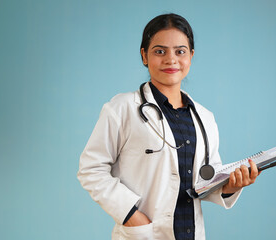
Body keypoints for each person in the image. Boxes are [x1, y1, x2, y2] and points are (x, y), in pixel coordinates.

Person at [77, 13, 259, 240]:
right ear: (144, 55)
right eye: (160, 51)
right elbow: (90, 169)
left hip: (190, 233)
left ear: (191, 56)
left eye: (180, 51)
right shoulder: (122, 108)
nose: (171, 59)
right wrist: (130, 214)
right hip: (144, 233)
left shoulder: (204, 117)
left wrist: (232, 186)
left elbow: (206, 179)